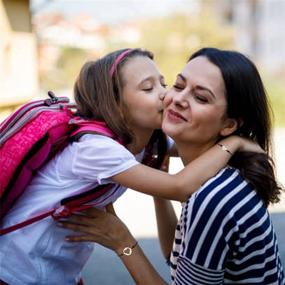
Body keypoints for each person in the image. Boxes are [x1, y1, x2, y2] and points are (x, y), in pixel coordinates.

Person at [0, 48, 257, 285]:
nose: (166, 94)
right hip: (18, 268)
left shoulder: (142, 139)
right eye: (148, 89)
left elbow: (194, 145)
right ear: (116, 105)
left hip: (55, 268)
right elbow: (180, 187)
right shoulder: (97, 149)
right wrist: (233, 142)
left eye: (165, 84)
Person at [60, 48, 285, 285]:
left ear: (229, 125)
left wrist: (122, 242)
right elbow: (175, 257)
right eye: (178, 86)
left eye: (200, 97)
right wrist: (160, 186)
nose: (176, 99)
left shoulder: (213, 196)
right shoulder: (214, 175)